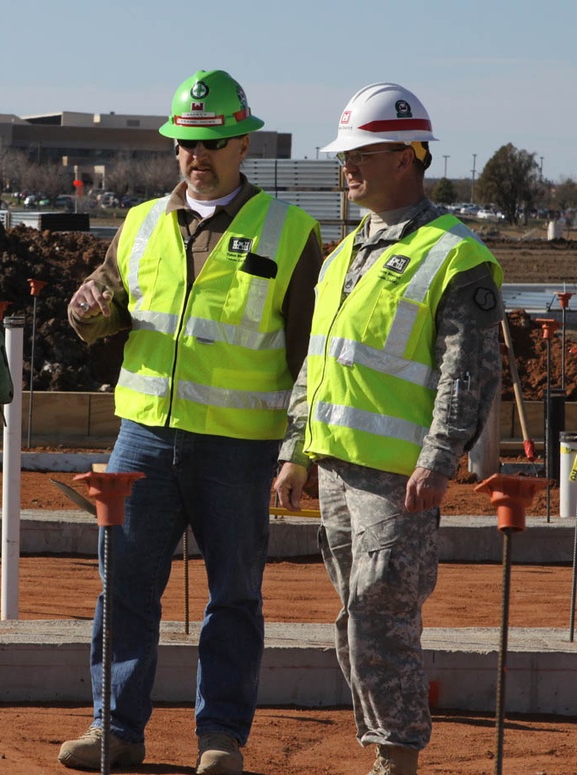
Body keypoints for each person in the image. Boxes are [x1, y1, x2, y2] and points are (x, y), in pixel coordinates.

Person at [60, 69, 322, 774]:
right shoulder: (142, 223)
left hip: (239, 448)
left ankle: (221, 737)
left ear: (244, 143)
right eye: (184, 143)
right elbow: (106, 301)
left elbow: (310, 356)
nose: (194, 157)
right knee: (123, 585)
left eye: (210, 144)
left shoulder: (292, 232)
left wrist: (301, 448)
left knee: (233, 593)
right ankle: (113, 726)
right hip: (142, 436)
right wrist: (84, 309)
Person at [273, 82, 503, 775]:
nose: (347, 168)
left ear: (408, 156)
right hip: (339, 469)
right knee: (353, 622)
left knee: (383, 619)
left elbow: (468, 372)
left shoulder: (453, 254)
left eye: (362, 154)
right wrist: (295, 450)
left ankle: (397, 758)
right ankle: (381, 747)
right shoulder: (344, 256)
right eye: (346, 154)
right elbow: (318, 363)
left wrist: (439, 458)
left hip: (399, 479)